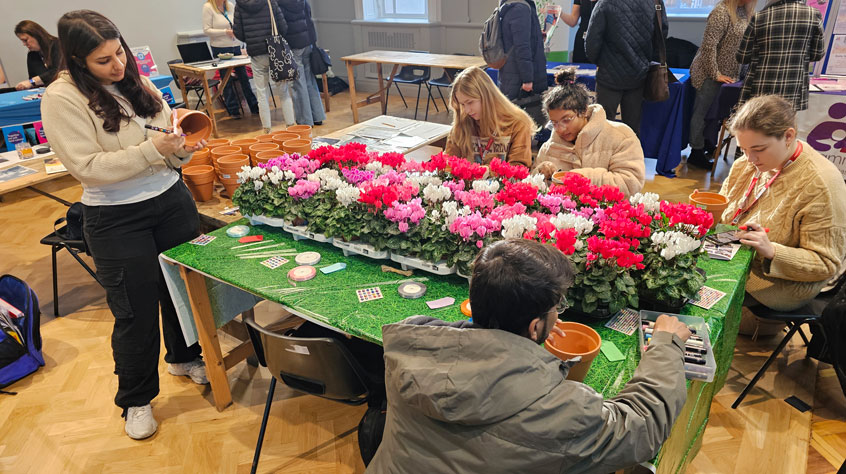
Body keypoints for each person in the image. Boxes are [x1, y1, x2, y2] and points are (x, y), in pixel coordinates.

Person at [367, 239, 691, 473]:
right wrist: (664, 345)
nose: (558, 313)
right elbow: (642, 428)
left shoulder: (409, 344)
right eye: (556, 308)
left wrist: (529, 326)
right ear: (535, 326)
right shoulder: (564, 408)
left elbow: (460, 340)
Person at [41, 10, 209, 440]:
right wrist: (156, 150)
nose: (118, 66)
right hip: (116, 216)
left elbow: (165, 133)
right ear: (77, 60)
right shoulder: (61, 98)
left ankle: (185, 356)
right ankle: (136, 400)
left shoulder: (136, 79)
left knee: (181, 291)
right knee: (133, 312)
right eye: (104, 60)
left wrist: (183, 147)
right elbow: (88, 167)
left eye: (120, 52)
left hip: (170, 200)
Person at [719, 95, 846, 335]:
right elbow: (727, 213)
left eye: (758, 149)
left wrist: (773, 251)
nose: (750, 159)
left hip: (783, 283)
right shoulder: (749, 163)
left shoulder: (821, 184)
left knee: (691, 292)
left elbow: (826, 264)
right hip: (736, 258)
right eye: (743, 149)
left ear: (788, 136)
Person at [534, 69, 645, 196]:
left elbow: (630, 184)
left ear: (584, 111)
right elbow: (537, 190)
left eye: (566, 120)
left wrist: (580, 177)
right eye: (555, 123)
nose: (560, 129)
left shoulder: (621, 136)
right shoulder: (548, 148)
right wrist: (541, 173)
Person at [687, 0, 755, 170]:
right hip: (710, 74)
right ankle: (695, 151)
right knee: (702, 114)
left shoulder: (742, 12)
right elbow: (709, 46)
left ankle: (708, 145)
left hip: (729, 76)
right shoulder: (721, 12)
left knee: (715, 115)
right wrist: (715, 74)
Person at [585, 0, 668, 135]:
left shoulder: (605, 3)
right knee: (632, 129)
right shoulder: (655, 1)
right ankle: (632, 156)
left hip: (609, 73)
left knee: (602, 126)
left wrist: (600, 61)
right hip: (639, 72)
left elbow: (592, 42)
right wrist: (646, 58)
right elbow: (661, 33)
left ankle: (605, 156)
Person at [737, 0, 824, 112]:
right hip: (793, 87)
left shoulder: (759, 17)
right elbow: (817, 54)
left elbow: (742, 57)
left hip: (760, 86)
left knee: (758, 126)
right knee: (784, 125)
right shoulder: (813, 15)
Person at [444, 67, 535, 167]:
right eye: (462, 104)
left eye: (470, 102)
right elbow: (448, 162)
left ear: (486, 96)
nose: (467, 110)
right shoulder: (462, 121)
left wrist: (486, 171)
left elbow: (519, 168)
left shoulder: (518, 123)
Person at [233, 0, 296, 132]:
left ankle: (267, 129)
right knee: (283, 91)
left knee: (261, 93)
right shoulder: (270, 1)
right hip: (275, 50)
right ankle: (290, 126)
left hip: (256, 53)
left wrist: (252, 39)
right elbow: (283, 26)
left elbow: (238, 32)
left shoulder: (240, 4)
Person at [202, 0, 259, 119]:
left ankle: (254, 106)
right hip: (220, 48)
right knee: (226, 79)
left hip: (235, 46)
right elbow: (206, 30)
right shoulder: (208, 7)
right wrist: (225, 32)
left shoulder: (230, 6)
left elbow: (237, 23)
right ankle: (233, 110)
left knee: (243, 77)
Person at [279, 0, 326, 127]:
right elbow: (309, 21)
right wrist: (313, 42)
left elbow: (281, 26)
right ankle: (317, 116)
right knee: (310, 81)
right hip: (307, 43)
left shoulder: (278, 3)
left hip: (293, 45)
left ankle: (305, 121)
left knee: (298, 84)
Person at [497, 0, 548, 101]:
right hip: (520, 81)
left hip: (512, 75)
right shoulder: (521, 9)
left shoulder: (511, 5)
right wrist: (527, 79)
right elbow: (522, 47)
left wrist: (536, 35)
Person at [13, 20, 62, 90]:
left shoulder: (57, 45)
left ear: (37, 35)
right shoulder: (32, 55)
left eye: (25, 40)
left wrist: (31, 82)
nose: (24, 44)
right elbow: (32, 79)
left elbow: (59, 72)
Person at [559, 0, 596, 64]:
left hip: (601, 41)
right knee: (579, 69)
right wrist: (560, 13)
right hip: (582, 40)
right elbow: (573, 21)